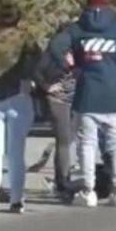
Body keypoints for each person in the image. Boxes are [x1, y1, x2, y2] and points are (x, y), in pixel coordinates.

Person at [40, 0, 116, 208]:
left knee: (87, 145)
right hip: (114, 93)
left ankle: (88, 190)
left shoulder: (78, 28)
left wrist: (69, 63)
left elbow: (54, 46)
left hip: (87, 94)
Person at [0, 0, 41, 214]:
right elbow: (38, 62)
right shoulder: (25, 39)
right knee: (16, 152)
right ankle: (17, 200)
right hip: (18, 95)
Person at [33, 19, 78, 203]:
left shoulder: (79, 48)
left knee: (69, 139)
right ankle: (63, 182)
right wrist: (47, 86)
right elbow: (37, 71)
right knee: (64, 140)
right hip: (58, 99)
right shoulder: (54, 49)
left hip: (77, 98)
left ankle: (63, 178)